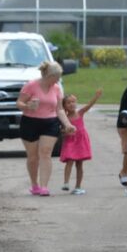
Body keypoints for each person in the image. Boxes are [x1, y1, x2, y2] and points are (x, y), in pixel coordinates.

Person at [16, 61, 76, 196]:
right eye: (57, 77)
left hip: (50, 123)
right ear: (49, 76)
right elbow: (19, 103)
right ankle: (34, 184)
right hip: (30, 123)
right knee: (33, 157)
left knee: (46, 152)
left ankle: (44, 186)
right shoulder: (31, 85)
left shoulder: (56, 88)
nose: (58, 80)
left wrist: (67, 124)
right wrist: (27, 106)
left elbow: (59, 109)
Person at [59, 89, 102, 194]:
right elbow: (61, 131)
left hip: (80, 142)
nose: (72, 104)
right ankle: (66, 183)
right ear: (64, 106)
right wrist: (65, 131)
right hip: (70, 141)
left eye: (73, 101)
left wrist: (96, 97)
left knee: (79, 164)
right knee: (69, 161)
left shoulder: (80, 113)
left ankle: (78, 186)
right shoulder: (64, 117)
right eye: (68, 102)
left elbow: (89, 106)